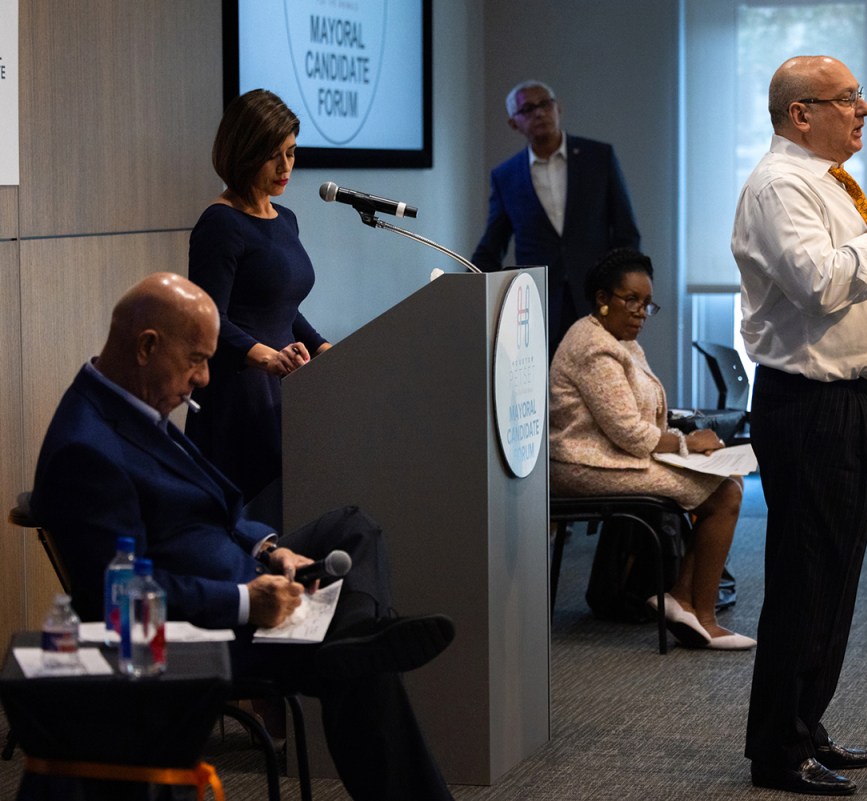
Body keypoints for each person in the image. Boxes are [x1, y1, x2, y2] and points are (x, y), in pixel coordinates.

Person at [31, 272, 457, 800]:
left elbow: (220, 508)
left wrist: (267, 547)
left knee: (353, 526)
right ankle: (350, 642)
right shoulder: (86, 448)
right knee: (365, 673)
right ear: (147, 347)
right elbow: (116, 597)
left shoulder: (132, 402)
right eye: (197, 359)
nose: (206, 377)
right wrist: (243, 602)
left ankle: (350, 636)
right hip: (197, 632)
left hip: (243, 572)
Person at [731, 56, 867, 796]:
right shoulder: (778, 185)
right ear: (802, 113)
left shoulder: (826, 184)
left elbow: (860, 282)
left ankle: (805, 725)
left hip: (852, 404)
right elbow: (822, 285)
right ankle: (778, 749)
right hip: (809, 406)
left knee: (834, 576)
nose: (862, 111)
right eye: (847, 99)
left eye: (860, 98)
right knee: (806, 577)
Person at [548, 248, 754, 650]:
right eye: (631, 300)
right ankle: (702, 616)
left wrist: (681, 444)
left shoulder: (621, 340)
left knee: (726, 483)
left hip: (612, 456)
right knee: (725, 493)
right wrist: (685, 443)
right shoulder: (593, 346)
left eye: (647, 304)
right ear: (602, 299)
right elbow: (629, 432)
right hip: (583, 464)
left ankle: (683, 601)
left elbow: (639, 421)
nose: (641, 312)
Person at [186, 89, 331, 524]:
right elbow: (208, 320)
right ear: (244, 153)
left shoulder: (285, 219)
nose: (286, 167)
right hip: (239, 395)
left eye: (291, 153)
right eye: (273, 156)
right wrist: (267, 357)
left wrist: (324, 349)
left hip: (285, 388)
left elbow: (281, 308)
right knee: (250, 525)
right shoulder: (220, 224)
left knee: (290, 518)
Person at [471, 80, 641, 354]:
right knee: (547, 390)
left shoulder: (598, 158)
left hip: (597, 299)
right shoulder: (506, 176)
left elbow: (626, 232)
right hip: (539, 306)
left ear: (558, 109)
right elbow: (493, 244)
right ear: (514, 124)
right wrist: (462, 285)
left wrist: (625, 293)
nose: (539, 113)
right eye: (527, 109)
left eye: (545, 104)